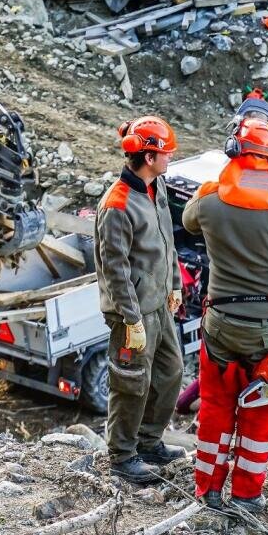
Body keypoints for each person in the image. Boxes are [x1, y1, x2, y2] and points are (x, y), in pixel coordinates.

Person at [182, 105, 268, 511]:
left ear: (233, 149)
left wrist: (216, 184)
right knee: (259, 412)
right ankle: (247, 495)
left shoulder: (210, 200)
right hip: (267, 331)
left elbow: (187, 222)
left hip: (219, 324)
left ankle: (208, 490)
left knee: (216, 406)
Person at [95, 115, 186, 486]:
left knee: (170, 372)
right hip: (131, 312)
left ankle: (148, 442)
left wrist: (174, 283)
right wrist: (130, 319)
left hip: (158, 303)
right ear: (148, 157)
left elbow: (167, 240)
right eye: (166, 153)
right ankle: (122, 456)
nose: (170, 158)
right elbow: (114, 270)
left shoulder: (156, 186)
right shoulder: (117, 206)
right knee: (131, 382)